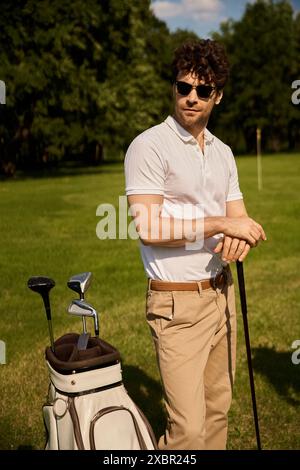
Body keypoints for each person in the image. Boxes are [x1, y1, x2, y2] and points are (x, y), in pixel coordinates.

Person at [124, 39, 266, 450]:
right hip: (177, 305)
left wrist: (242, 239)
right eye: (183, 87)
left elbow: (239, 219)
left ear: (217, 96)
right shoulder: (149, 146)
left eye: (203, 91)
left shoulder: (223, 153)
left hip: (221, 294)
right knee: (187, 430)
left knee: (218, 411)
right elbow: (149, 227)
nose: (190, 97)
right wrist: (222, 224)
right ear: (174, 87)